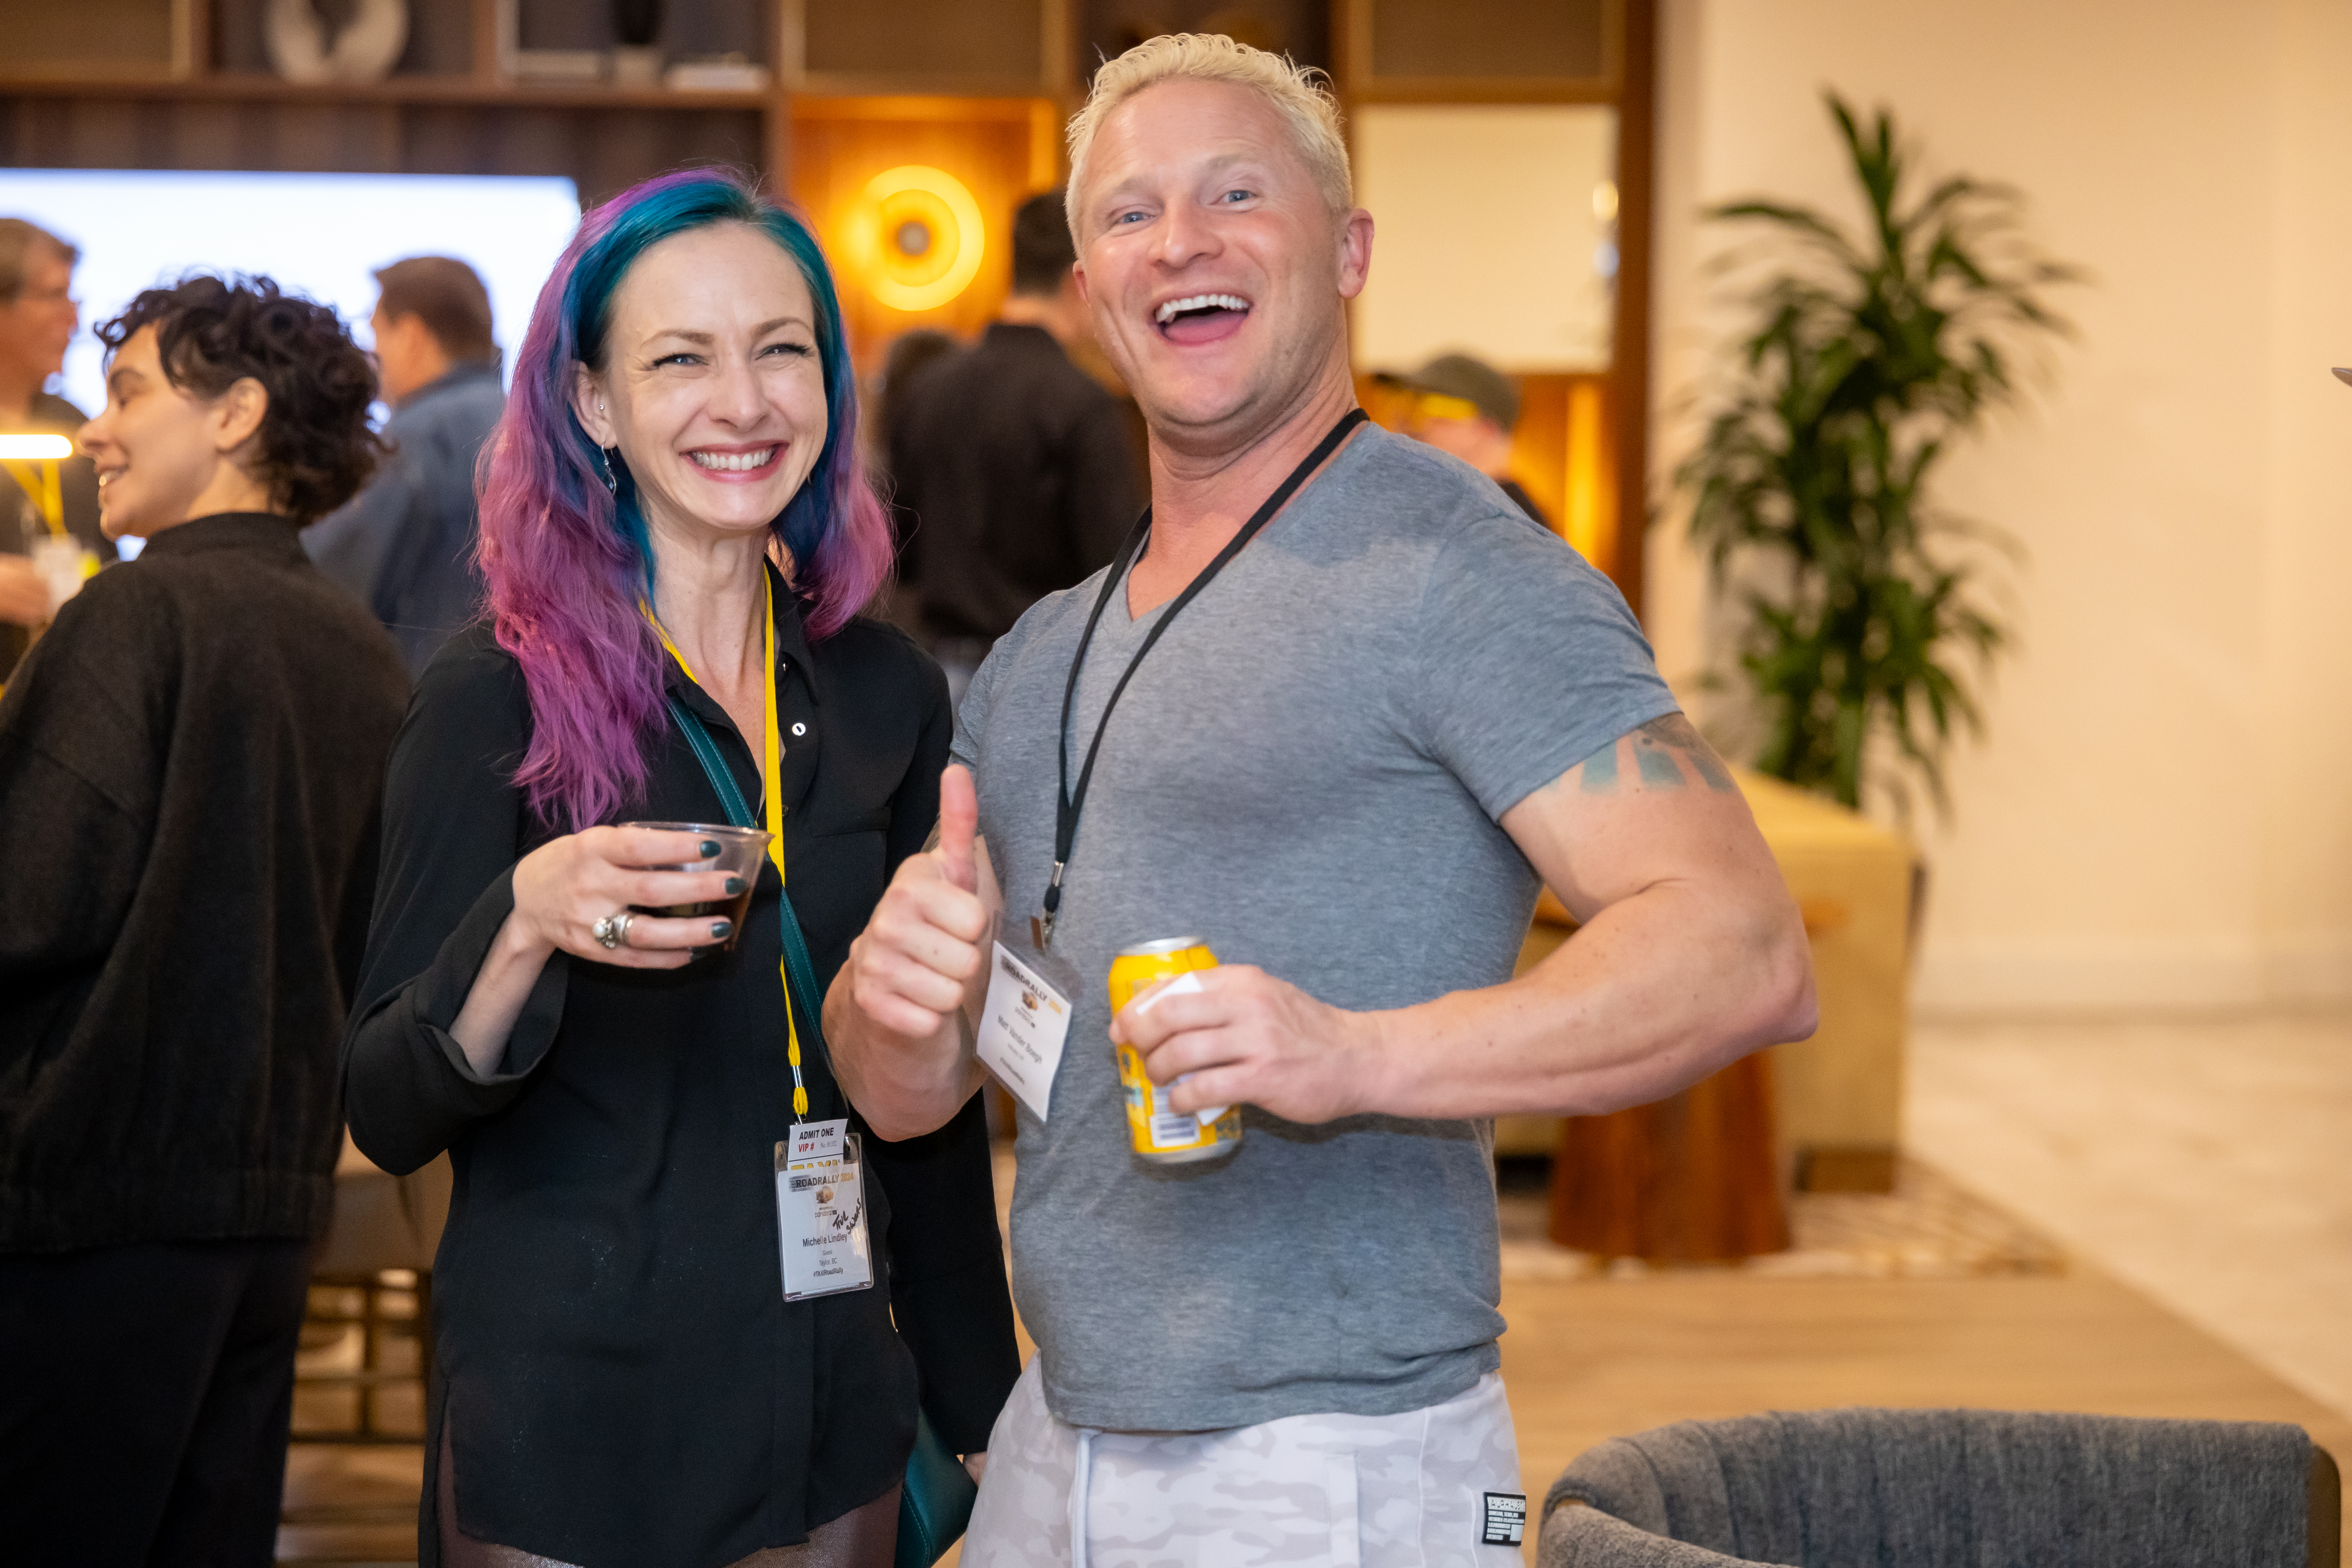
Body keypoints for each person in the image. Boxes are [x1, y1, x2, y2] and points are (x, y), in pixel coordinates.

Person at [826, 33, 1817, 1566]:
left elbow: (1746, 947)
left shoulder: (1460, 568)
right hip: (1060, 1435)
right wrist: (891, 1012)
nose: (1183, 241)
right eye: (1132, 212)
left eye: (1238, 191)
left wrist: (1356, 1052)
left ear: (1349, 250)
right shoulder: (1040, 655)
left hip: (1335, 1464)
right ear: (1091, 287)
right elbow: (927, 1090)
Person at [340, 169, 1020, 1568]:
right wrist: (523, 922)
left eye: (783, 348)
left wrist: (979, 1403)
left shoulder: (884, 694)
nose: (745, 399)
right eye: (679, 358)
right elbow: (388, 1101)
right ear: (592, 401)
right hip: (572, 1401)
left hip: (824, 1385)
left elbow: (929, 1100)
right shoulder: (495, 698)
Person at [0, 275, 409, 1566]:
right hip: (271, 1190)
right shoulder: (357, 646)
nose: (96, 431)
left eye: (127, 395)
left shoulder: (133, 613)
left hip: (87, 1190)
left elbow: (29, 900)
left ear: (236, 413)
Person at [887, 189, 1143, 701]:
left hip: (935, 679)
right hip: (1043, 677)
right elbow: (1117, 571)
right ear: (1081, 282)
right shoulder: (1079, 401)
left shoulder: (929, 387)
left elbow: (900, 550)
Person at [306, 255, 506, 679]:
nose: (371, 355)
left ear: (412, 336)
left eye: (376, 334)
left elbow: (319, 592)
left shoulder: (414, 443)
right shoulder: (536, 430)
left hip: (427, 711)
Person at [0, 218, 112, 683]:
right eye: (54, 296)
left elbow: (104, 551)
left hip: (58, 696)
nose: (74, 319)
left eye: (73, 297)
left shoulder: (74, 425)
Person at [1382, 350, 1550, 526]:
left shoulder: (1512, 528)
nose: (1405, 426)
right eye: (1403, 406)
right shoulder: (1449, 510)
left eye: (1430, 408)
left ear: (1486, 430)